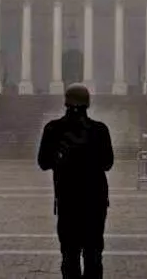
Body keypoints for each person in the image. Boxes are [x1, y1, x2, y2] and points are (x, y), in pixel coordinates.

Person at [37, 83, 114, 279]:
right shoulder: (99, 129)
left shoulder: (53, 129)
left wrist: (62, 156)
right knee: (93, 255)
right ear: (88, 104)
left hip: (67, 198)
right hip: (95, 200)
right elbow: (107, 163)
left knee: (70, 255)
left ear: (65, 102)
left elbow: (44, 163)